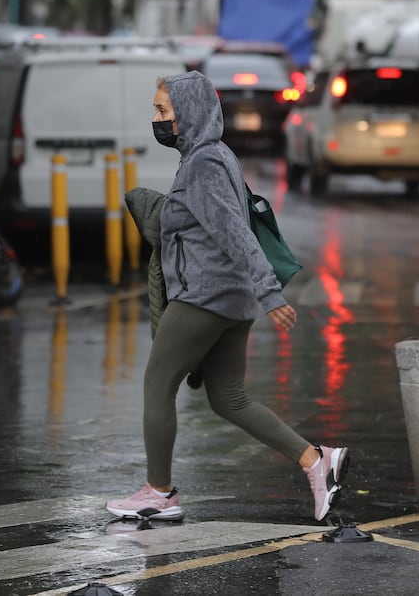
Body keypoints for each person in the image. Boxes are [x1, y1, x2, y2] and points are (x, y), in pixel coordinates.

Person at [106, 71, 349, 522]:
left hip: (205, 296)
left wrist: (270, 293)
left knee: (158, 383)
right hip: (229, 300)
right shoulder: (214, 155)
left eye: (163, 112)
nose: (156, 120)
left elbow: (236, 232)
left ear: (189, 114)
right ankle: (317, 462)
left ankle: (158, 492)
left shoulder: (203, 166)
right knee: (228, 397)